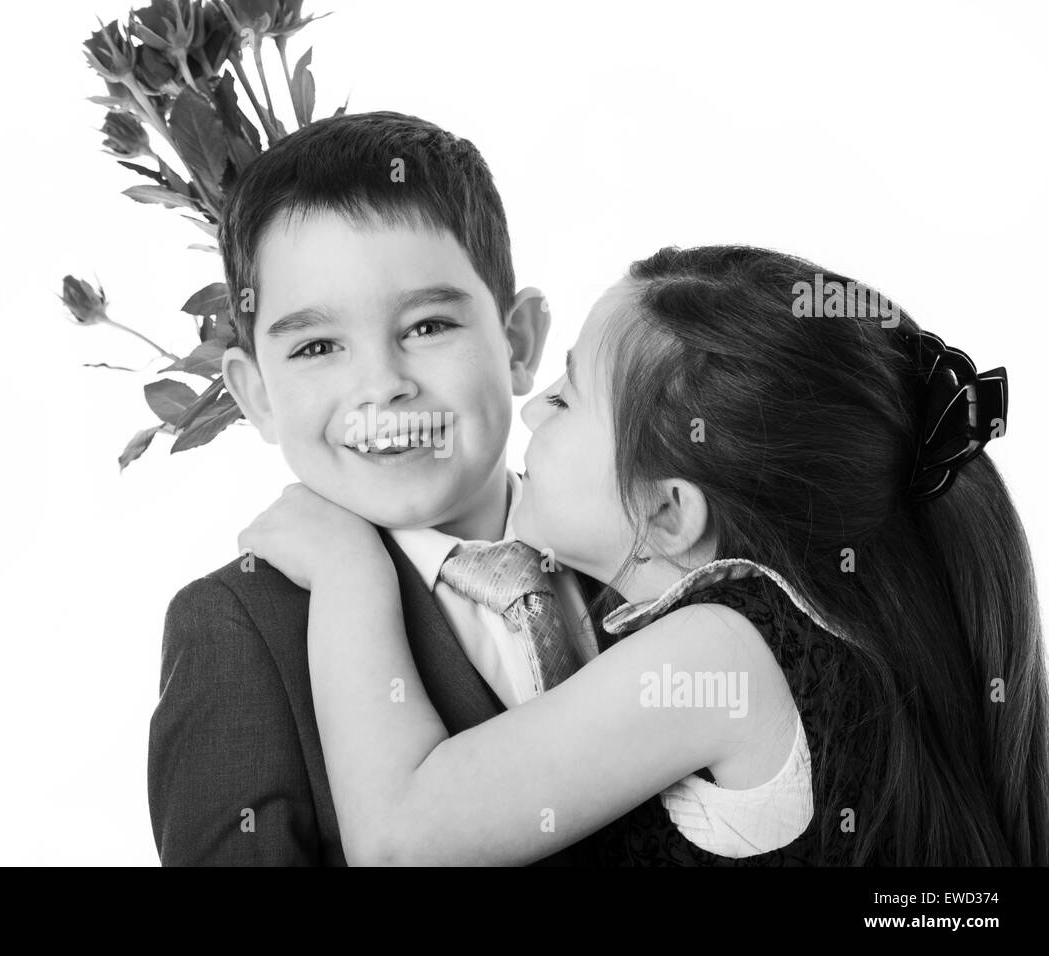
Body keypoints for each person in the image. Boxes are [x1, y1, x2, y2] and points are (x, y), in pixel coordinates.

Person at [240, 245, 1049, 866]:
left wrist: (349, 571)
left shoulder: (723, 652)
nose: (531, 406)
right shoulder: (795, 635)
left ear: (666, 510)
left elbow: (397, 842)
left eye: (567, 396)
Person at [147, 111, 612, 865]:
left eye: (427, 327)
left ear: (518, 342)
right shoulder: (239, 628)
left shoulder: (642, 539)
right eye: (317, 346)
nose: (382, 387)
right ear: (256, 393)